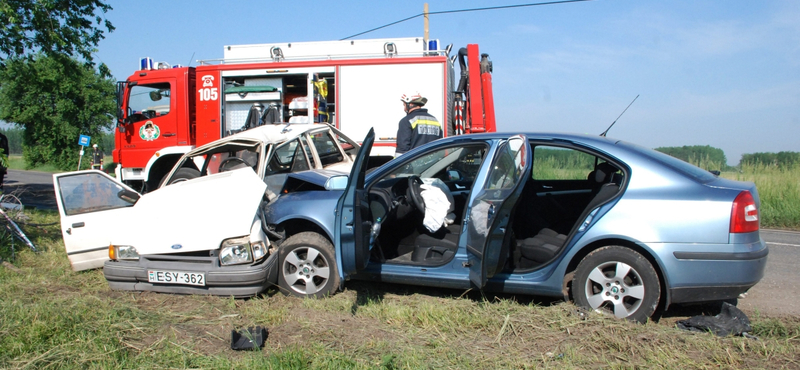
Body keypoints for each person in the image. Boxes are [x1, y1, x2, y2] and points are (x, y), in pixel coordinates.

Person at [395, 92, 442, 157]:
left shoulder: (406, 121)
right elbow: (440, 144)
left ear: (410, 104)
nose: (404, 109)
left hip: (416, 164)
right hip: (434, 163)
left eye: (404, 105)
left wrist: (398, 165)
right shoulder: (435, 120)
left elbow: (402, 148)